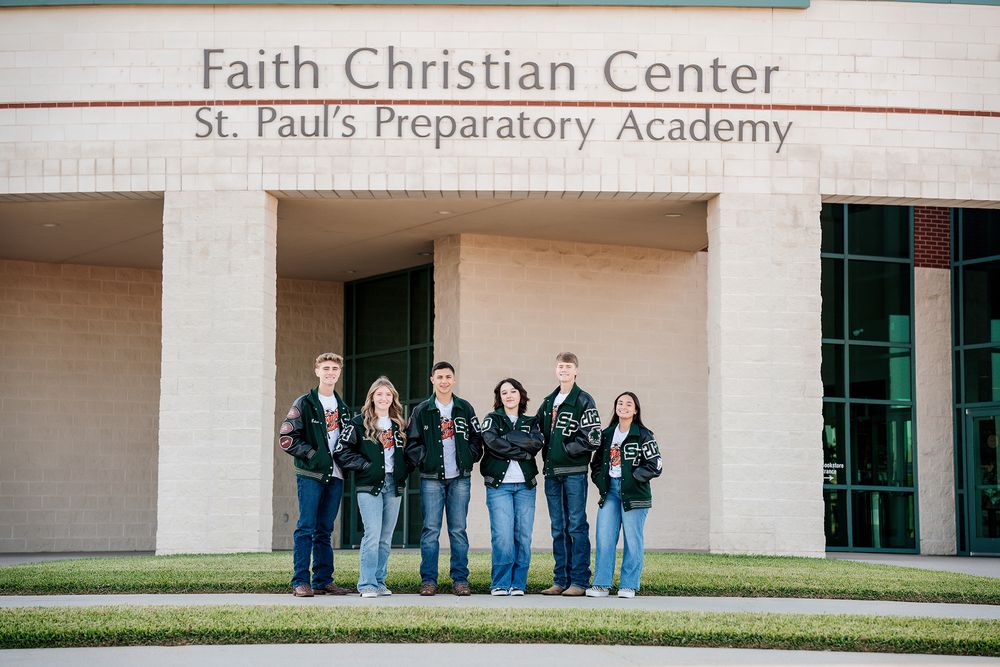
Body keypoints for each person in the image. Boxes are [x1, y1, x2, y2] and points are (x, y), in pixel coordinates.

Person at [277, 352, 354, 598]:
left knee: (325, 529)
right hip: (311, 474)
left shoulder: (343, 408)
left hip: (336, 475)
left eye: (335, 369)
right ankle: (300, 581)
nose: (330, 373)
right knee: (306, 527)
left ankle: (323, 580)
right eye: (326, 368)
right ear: (317, 371)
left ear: (339, 373)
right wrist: (312, 455)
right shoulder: (305, 403)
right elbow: (287, 438)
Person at [404, 361, 484, 596]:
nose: (444, 381)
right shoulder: (421, 410)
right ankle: (429, 580)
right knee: (430, 531)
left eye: (448, 376)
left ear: (454, 379)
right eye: (439, 377)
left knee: (458, 530)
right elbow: (412, 444)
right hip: (432, 478)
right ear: (432, 380)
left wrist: (469, 458)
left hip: (460, 478)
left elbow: (476, 438)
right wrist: (426, 460)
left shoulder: (464, 408)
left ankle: (460, 580)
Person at [333, 376, 409, 598]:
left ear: (393, 398)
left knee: (386, 538)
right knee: (372, 534)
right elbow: (341, 450)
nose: (383, 398)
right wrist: (365, 465)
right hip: (369, 485)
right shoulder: (359, 422)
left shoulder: (399, 425)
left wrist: (404, 470)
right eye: (379, 394)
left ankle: (379, 581)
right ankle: (366, 584)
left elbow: (410, 453)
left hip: (394, 485)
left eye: (388, 394)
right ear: (372, 397)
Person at [536, 352, 602, 596]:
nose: (564, 370)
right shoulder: (548, 401)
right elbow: (537, 432)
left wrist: (567, 450)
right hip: (551, 473)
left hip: (574, 472)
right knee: (558, 527)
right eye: (560, 366)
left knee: (576, 525)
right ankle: (560, 580)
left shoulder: (583, 400)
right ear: (556, 370)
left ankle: (579, 581)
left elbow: (594, 437)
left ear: (576, 371)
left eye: (568, 366)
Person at [587, 391, 662, 599]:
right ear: (616, 407)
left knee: (632, 539)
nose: (624, 406)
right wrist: (601, 479)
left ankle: (628, 585)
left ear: (635, 410)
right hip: (610, 492)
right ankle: (602, 584)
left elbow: (656, 464)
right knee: (604, 537)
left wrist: (634, 477)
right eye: (620, 403)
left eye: (629, 404)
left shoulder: (644, 434)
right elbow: (595, 464)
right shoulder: (607, 434)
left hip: (634, 494)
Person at [480, 378, 544, 596]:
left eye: (513, 391)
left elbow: (536, 444)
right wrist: (522, 452)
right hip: (499, 487)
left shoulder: (531, 421)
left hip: (526, 486)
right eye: (504, 392)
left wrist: (508, 439)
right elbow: (491, 442)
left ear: (520, 395)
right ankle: (500, 582)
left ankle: (518, 583)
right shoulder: (492, 419)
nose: (509, 395)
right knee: (502, 536)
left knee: (523, 536)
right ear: (499, 397)